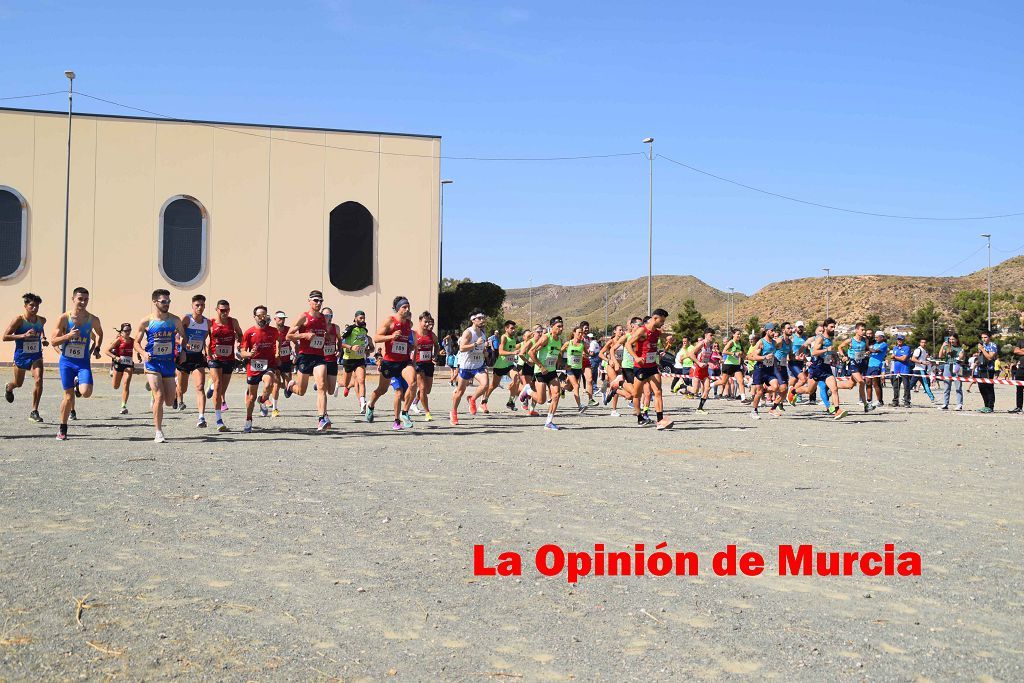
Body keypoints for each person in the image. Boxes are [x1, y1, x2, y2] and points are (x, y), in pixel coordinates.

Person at [135, 289, 187, 442]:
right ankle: (158, 432)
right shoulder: (146, 321)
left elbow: (183, 336)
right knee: (159, 396)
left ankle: (153, 388)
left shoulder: (175, 320)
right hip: (152, 363)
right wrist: (143, 354)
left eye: (168, 301)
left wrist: (183, 350)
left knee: (170, 401)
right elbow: (136, 343)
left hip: (168, 363)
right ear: (155, 302)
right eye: (163, 301)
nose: (167, 304)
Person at [51, 287, 103, 440]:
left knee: (86, 392)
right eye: (80, 299)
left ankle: (78, 383)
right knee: (68, 397)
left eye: (86, 299)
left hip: (83, 362)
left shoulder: (93, 319)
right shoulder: (63, 318)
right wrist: (68, 335)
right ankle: (62, 427)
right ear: (73, 299)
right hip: (66, 362)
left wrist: (97, 348)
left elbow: (100, 334)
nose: (83, 302)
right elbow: (53, 341)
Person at [366, 296, 416, 430]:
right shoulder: (390, 321)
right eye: (404, 307)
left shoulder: (408, 324)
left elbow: (406, 341)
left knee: (412, 383)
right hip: (390, 362)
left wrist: (410, 346)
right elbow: (376, 338)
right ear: (397, 308)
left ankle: (402, 415)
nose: (407, 309)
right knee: (382, 390)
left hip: (404, 361)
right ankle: (370, 405)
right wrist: (391, 336)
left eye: (408, 307)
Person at [286, 290, 331, 431]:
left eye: (320, 301)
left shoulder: (323, 318)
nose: (318, 303)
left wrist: (327, 338)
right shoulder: (303, 317)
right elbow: (288, 336)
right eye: (316, 300)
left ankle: (321, 418)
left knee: (322, 386)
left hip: (319, 356)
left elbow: (325, 334)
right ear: (309, 301)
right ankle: (290, 386)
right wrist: (304, 335)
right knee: (301, 391)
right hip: (305, 356)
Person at [626, 309, 673, 429]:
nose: (662, 323)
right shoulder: (642, 330)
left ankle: (660, 420)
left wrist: (669, 338)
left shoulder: (657, 332)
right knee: (636, 394)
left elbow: (664, 335)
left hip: (652, 366)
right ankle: (639, 417)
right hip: (640, 367)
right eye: (661, 321)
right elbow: (628, 344)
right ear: (655, 318)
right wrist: (636, 357)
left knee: (658, 392)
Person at [4, 292, 47, 422]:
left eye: (37, 306)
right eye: (32, 306)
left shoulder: (41, 320)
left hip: (36, 355)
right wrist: (22, 336)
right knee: (18, 383)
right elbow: (5, 337)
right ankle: (9, 387)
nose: (34, 309)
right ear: (25, 306)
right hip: (21, 356)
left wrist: (44, 338)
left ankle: (34, 411)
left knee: (39, 380)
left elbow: (41, 329)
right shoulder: (19, 320)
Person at [239, 305, 280, 433]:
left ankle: (262, 400)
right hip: (253, 366)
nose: (262, 317)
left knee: (268, 383)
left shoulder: (273, 331)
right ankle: (248, 419)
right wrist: (248, 354)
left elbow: (279, 341)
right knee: (251, 397)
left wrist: (278, 353)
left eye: (264, 315)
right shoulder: (249, 333)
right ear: (254, 317)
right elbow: (242, 351)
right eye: (259, 315)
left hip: (268, 365)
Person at [206, 299, 243, 432]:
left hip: (229, 358)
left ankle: (211, 385)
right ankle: (218, 420)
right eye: (222, 310)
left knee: (222, 390)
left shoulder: (233, 322)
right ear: (217, 310)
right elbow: (205, 339)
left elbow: (240, 334)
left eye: (227, 310)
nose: (225, 312)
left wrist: (239, 342)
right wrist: (208, 353)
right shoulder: (210, 323)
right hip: (215, 358)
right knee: (218, 384)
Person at [175, 294, 210, 426]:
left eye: (202, 305)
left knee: (200, 387)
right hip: (184, 356)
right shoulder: (186, 319)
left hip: (197, 357)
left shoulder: (207, 322)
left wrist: (206, 352)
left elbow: (205, 339)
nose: (200, 307)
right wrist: (182, 348)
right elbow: (175, 336)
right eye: (197, 305)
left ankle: (201, 417)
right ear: (192, 306)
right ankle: (176, 395)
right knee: (182, 388)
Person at [450, 311, 490, 424]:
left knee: (485, 384)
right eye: (479, 318)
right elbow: (462, 348)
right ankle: (453, 412)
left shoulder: (482, 333)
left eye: (483, 317)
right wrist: (476, 344)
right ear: (473, 320)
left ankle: (472, 399)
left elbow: (481, 349)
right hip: (466, 366)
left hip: (478, 364)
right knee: (460, 392)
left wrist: (485, 352)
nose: (482, 320)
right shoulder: (468, 332)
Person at [527, 316, 566, 430]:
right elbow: (531, 352)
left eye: (562, 326)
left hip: (552, 372)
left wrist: (559, 363)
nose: (561, 329)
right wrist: (541, 366)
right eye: (558, 326)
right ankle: (527, 390)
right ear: (551, 327)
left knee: (556, 394)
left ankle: (549, 422)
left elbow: (557, 353)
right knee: (541, 400)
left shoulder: (559, 340)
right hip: (541, 372)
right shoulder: (545, 338)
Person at [340, 310, 372, 412]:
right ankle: (340, 385)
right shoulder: (350, 329)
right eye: (360, 318)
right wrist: (351, 347)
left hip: (359, 359)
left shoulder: (364, 331)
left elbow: (370, 347)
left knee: (361, 380)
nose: (362, 320)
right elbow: (339, 342)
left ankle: (362, 402)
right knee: (346, 383)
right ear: (355, 318)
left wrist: (367, 350)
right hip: (349, 359)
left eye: (364, 318)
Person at [484, 319, 520, 412]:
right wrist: (513, 352)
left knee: (517, 379)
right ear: (506, 329)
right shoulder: (504, 337)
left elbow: (514, 348)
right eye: (511, 328)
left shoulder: (513, 339)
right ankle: (484, 401)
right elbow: (500, 352)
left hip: (509, 365)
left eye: (514, 328)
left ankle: (510, 402)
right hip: (500, 365)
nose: (513, 330)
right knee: (493, 385)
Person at [410, 311, 439, 421]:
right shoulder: (414, 334)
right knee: (422, 388)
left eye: (428, 322)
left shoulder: (431, 335)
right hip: (418, 363)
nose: (427, 324)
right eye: (425, 322)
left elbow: (436, 345)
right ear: (420, 321)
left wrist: (435, 356)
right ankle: (427, 413)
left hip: (428, 364)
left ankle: (415, 402)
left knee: (427, 390)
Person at [105, 323, 136, 414]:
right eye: (125, 330)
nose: (128, 332)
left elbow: (138, 348)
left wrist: (140, 355)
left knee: (126, 383)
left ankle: (123, 406)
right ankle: (112, 368)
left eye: (129, 330)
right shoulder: (118, 340)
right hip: (118, 364)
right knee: (115, 386)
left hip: (128, 365)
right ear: (122, 332)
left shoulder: (133, 341)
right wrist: (115, 357)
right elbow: (106, 351)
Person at [686, 329, 716, 414]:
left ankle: (700, 408)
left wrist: (713, 362)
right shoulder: (701, 343)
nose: (712, 337)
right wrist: (698, 363)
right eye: (711, 335)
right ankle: (682, 386)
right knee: (695, 391)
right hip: (697, 368)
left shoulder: (710, 345)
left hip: (705, 369)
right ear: (706, 335)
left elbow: (707, 357)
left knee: (707, 388)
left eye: (713, 335)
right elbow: (690, 354)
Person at [560, 325, 588, 414]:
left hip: (578, 369)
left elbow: (587, 354)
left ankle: (562, 388)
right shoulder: (568, 343)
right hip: (570, 368)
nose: (580, 334)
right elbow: (559, 352)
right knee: (576, 386)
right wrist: (564, 364)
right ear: (574, 333)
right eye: (579, 332)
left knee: (570, 388)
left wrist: (586, 355)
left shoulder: (582, 345)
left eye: (581, 333)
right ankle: (580, 406)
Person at [269, 311, 292, 417]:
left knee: (288, 385)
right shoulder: (272, 331)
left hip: (287, 360)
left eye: (283, 318)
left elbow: (296, 341)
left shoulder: (288, 330)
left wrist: (296, 350)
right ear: (275, 319)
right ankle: (274, 408)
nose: (282, 320)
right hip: (275, 361)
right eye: (280, 318)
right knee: (276, 384)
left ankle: (263, 398)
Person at [936, 334, 965, 411]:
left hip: (957, 366)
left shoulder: (960, 348)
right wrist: (943, 346)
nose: (951, 341)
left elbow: (961, 357)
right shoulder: (947, 347)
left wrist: (961, 355)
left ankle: (959, 404)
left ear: (956, 340)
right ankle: (945, 404)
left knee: (958, 386)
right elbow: (940, 355)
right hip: (947, 365)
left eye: (953, 339)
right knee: (946, 386)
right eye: (950, 339)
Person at [907, 338, 936, 404]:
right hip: (919, 370)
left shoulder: (924, 351)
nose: (924, 344)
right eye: (922, 342)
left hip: (919, 370)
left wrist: (930, 362)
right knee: (925, 384)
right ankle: (932, 398)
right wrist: (922, 362)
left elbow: (924, 359)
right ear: (920, 343)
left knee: (911, 385)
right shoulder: (918, 350)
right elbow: (913, 359)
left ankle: (905, 397)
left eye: (925, 342)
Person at [975, 331, 998, 413]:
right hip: (981, 369)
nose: (983, 339)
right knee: (981, 388)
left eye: (985, 337)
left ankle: (990, 406)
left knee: (989, 388)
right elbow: (981, 357)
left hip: (989, 369)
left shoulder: (993, 345)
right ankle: (986, 405)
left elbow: (990, 357)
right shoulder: (982, 346)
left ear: (989, 337)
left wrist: (982, 349)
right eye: (982, 337)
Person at [321, 307, 341, 399]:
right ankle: (323, 411)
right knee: (322, 388)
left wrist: (339, 350)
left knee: (331, 391)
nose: (327, 317)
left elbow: (340, 340)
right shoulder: (318, 328)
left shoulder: (335, 328)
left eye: (329, 315)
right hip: (321, 360)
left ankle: (320, 384)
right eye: (325, 315)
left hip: (332, 360)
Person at [890, 334, 912, 407]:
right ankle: (895, 401)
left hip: (904, 369)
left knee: (906, 386)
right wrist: (896, 357)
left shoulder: (906, 348)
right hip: (896, 370)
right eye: (898, 339)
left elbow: (904, 359)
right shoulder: (895, 348)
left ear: (903, 340)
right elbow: (891, 357)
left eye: (901, 339)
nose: (899, 341)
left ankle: (907, 401)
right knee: (895, 386)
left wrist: (895, 357)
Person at [1009, 340, 1024, 414]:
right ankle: (1019, 407)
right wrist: (1020, 350)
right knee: (1019, 389)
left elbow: (1019, 351)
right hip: (1021, 368)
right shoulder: (1021, 341)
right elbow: (1015, 351)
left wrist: (1021, 350)